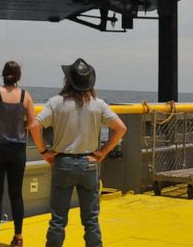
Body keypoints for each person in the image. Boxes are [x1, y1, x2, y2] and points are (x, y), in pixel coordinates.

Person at [29, 58, 127, 247]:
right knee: (91, 219)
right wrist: (104, 151)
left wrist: (44, 151)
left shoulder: (56, 102)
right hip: (89, 162)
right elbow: (120, 128)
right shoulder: (98, 104)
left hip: (63, 162)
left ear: (68, 81)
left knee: (58, 219)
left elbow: (34, 126)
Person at [0, 61, 37, 247]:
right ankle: (18, 237)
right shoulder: (25, 96)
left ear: (3, 74)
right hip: (18, 149)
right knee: (16, 194)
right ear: (18, 77)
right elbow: (32, 123)